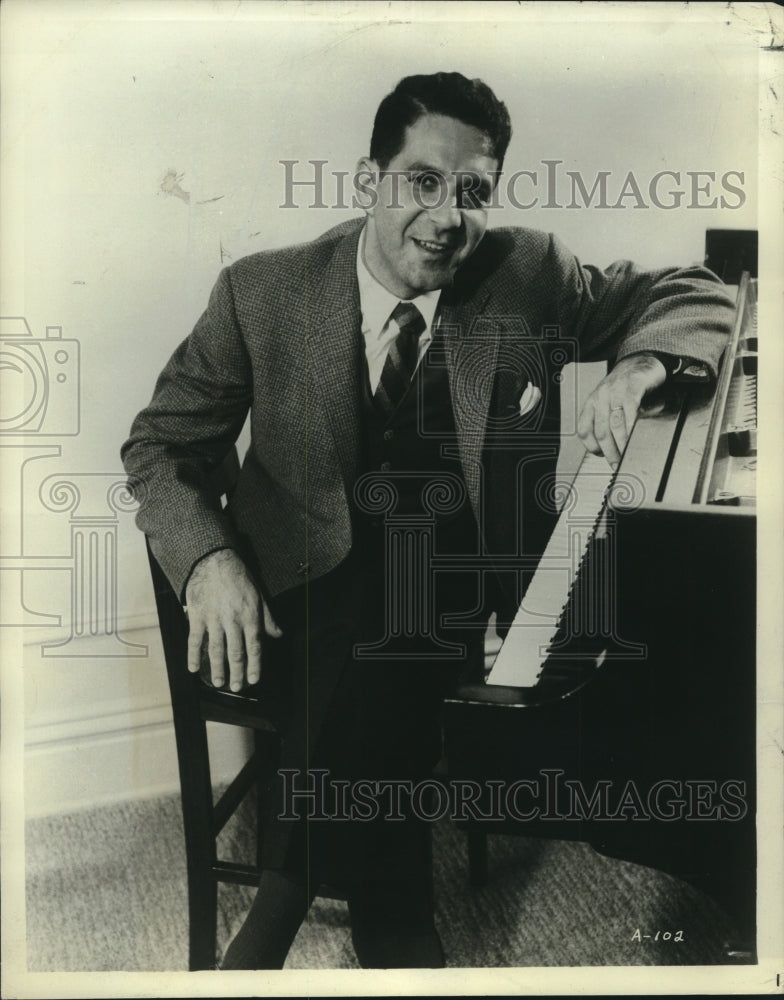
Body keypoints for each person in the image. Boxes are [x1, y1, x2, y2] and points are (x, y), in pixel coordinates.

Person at [122, 71, 734, 969]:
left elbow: (700, 289)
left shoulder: (529, 272)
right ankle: (392, 929)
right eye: (422, 181)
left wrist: (641, 369)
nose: (448, 216)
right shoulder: (261, 293)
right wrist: (208, 559)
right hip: (296, 580)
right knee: (373, 636)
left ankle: (287, 896)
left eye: (473, 191)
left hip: (457, 575)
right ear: (370, 180)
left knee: (396, 628)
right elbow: (157, 447)